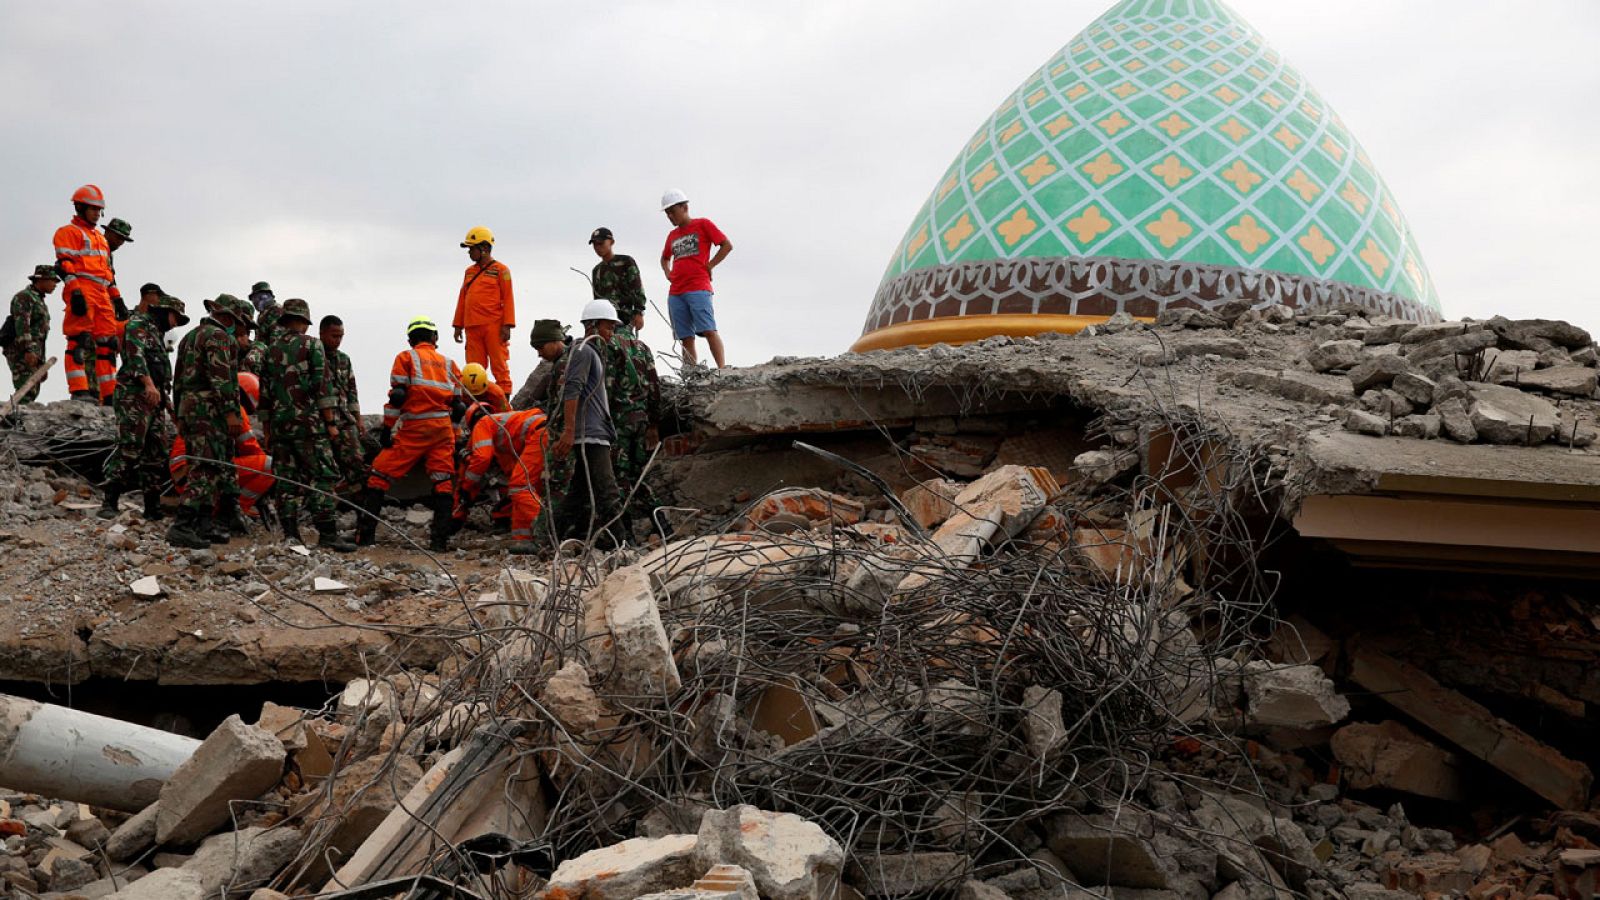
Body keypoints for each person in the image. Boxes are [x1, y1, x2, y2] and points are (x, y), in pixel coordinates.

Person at [355, 317, 465, 551]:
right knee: (443, 482)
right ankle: (439, 543)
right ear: (434, 338)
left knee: (378, 476)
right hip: (442, 430)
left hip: (415, 428)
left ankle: (365, 538)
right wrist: (453, 437)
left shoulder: (406, 358)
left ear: (410, 339)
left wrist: (387, 428)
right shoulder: (449, 364)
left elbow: (398, 396)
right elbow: (458, 407)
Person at [258, 298, 356, 551]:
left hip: (280, 427)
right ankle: (328, 534)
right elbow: (322, 386)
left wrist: (268, 430)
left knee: (287, 480)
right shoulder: (312, 345)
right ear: (304, 320)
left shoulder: (270, 350)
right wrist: (331, 423)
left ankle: (291, 535)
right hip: (310, 425)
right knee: (322, 475)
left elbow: (265, 394)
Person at [539, 303, 630, 547]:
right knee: (607, 490)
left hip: (594, 432)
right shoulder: (582, 351)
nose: (611, 332)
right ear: (593, 324)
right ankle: (621, 543)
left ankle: (548, 540)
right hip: (589, 435)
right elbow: (572, 390)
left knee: (578, 493)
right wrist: (569, 432)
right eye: (608, 326)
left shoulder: (588, 351)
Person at [167, 295, 250, 548]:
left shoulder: (191, 336)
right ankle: (182, 525)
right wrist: (230, 412)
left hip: (191, 409)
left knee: (200, 463)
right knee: (208, 467)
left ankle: (203, 524)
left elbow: (178, 378)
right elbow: (222, 377)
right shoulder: (219, 337)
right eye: (239, 323)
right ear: (229, 318)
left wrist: (180, 414)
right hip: (210, 411)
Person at [100, 293, 188, 520]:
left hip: (155, 401)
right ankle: (109, 501)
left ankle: (152, 507)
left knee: (156, 453)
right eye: (176, 317)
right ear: (165, 312)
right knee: (130, 447)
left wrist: (170, 409)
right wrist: (148, 384)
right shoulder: (138, 325)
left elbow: (161, 378)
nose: (176, 323)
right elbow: (134, 356)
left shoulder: (158, 336)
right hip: (134, 396)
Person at [593, 300, 662, 530]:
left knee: (619, 477)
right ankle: (663, 525)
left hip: (618, 423)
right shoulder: (642, 347)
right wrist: (653, 424)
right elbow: (654, 387)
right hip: (641, 421)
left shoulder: (609, 345)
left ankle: (625, 534)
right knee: (639, 476)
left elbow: (607, 388)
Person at [171, 372, 274, 519]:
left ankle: (215, 506)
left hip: (184, 480)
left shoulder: (206, 403)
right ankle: (239, 507)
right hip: (200, 477)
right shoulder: (236, 411)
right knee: (269, 465)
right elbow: (250, 448)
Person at [53, 185, 119, 403]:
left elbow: (108, 273)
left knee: (107, 345)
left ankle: (108, 393)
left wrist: (116, 298)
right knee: (77, 340)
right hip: (83, 288)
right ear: (80, 207)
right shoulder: (68, 232)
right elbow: (64, 264)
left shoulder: (101, 239)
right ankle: (79, 389)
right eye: (92, 209)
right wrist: (76, 292)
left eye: (99, 210)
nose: (97, 214)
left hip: (102, 293)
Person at [456, 404, 549, 553]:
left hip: (539, 433)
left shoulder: (483, 423)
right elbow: (510, 470)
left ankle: (548, 530)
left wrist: (467, 488)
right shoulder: (505, 429)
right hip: (544, 432)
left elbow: (481, 458)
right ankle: (523, 540)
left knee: (519, 487)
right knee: (524, 490)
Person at [659, 188, 732, 368]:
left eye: (672, 211)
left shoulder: (703, 224)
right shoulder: (672, 235)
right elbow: (664, 257)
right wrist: (668, 273)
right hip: (676, 291)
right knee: (685, 337)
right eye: (667, 213)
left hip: (698, 287)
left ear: (684, 207)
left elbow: (726, 245)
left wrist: (710, 265)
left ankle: (722, 369)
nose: (670, 216)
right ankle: (691, 374)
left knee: (708, 329)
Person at [452, 227, 515, 395]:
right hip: (471, 327)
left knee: (499, 365)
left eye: (472, 248)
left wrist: (507, 325)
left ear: (484, 249)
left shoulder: (502, 270)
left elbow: (508, 298)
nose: (469, 252)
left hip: (494, 326)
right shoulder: (469, 272)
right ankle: (477, 400)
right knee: (473, 368)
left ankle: (504, 398)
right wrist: (458, 325)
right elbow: (463, 298)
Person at [320, 315, 366, 492]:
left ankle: (360, 504)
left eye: (341, 336)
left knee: (356, 462)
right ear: (322, 334)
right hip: (322, 421)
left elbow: (352, 391)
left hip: (345, 420)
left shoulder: (344, 359)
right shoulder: (313, 355)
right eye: (334, 336)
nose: (338, 340)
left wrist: (358, 419)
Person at [2, 265, 60, 404]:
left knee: (32, 390)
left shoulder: (39, 300)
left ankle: (16, 419)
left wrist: (41, 363)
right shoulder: (24, 297)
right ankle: (14, 420)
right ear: (41, 280)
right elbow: (22, 325)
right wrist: (28, 350)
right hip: (20, 350)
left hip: (34, 352)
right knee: (25, 389)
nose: (55, 284)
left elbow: (40, 336)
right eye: (52, 280)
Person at [589, 227, 648, 328]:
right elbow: (597, 300)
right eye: (595, 244)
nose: (598, 247)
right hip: (605, 319)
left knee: (622, 341)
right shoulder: (596, 270)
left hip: (625, 318)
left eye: (601, 243)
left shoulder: (626, 262)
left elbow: (637, 289)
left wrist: (638, 312)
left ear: (611, 242)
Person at [243, 282, 280, 373]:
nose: (255, 302)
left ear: (267, 296)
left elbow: (276, 339)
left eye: (257, 298)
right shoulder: (263, 314)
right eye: (253, 299)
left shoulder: (276, 310)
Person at [104, 217, 134, 327]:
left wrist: (118, 301)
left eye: (123, 240)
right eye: (118, 237)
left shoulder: (108, 254)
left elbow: (110, 280)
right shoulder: (96, 249)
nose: (120, 243)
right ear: (107, 232)